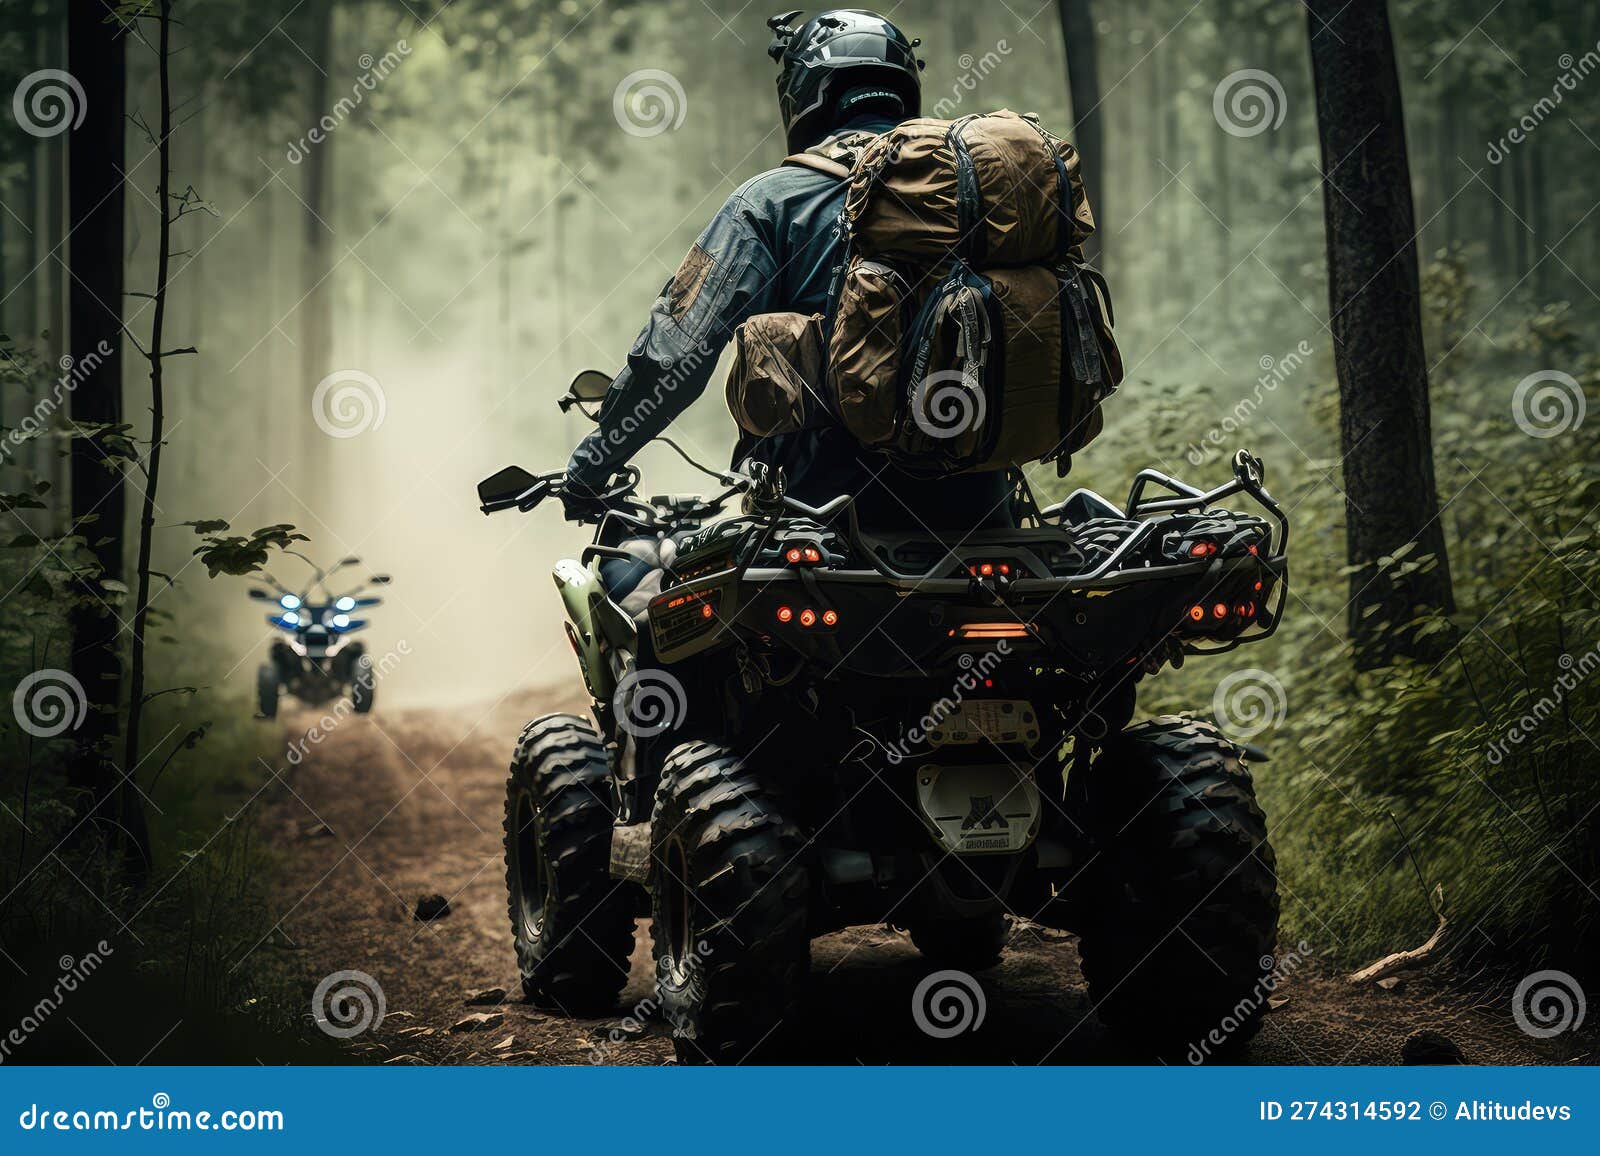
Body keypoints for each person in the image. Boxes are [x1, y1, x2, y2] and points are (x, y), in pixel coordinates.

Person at [562, 9, 1013, 535]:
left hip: (819, 519)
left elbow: (676, 355)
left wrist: (591, 467)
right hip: (984, 515)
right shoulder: (980, 195)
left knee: (643, 588)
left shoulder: (771, 202)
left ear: (805, 95)